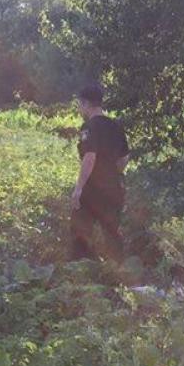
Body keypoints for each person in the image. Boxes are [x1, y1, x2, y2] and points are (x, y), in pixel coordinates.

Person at [70, 83, 130, 262]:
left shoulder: (89, 127)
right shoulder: (115, 126)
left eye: (80, 104)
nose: (79, 108)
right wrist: (112, 174)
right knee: (112, 235)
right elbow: (124, 158)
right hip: (114, 189)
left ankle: (83, 275)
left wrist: (79, 188)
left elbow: (90, 156)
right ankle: (117, 278)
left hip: (92, 190)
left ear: (86, 103)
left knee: (80, 233)